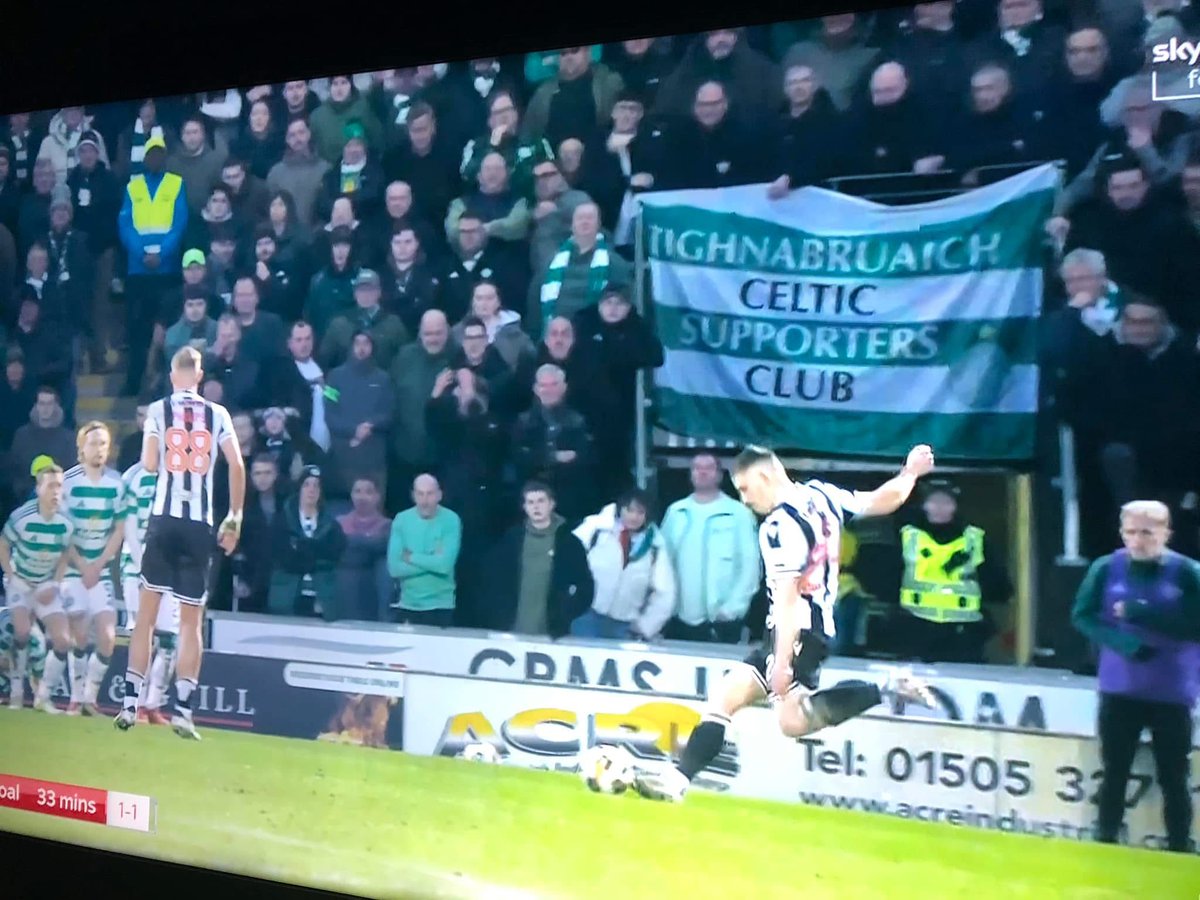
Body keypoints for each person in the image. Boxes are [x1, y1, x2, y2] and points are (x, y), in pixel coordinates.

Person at [635, 444, 940, 803]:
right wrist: (910, 474)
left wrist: (781, 661)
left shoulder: (778, 527)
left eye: (746, 489)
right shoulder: (821, 495)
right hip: (813, 628)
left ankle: (887, 689)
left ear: (764, 476)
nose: (745, 500)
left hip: (797, 630)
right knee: (757, 708)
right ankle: (676, 779)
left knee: (760, 710)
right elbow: (880, 500)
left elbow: (788, 598)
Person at [114, 347, 245, 741]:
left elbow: (151, 464)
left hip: (164, 520)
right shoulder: (218, 414)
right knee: (191, 622)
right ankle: (184, 711)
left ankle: (130, 702)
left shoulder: (158, 410)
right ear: (200, 376)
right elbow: (237, 465)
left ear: (174, 376)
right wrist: (235, 516)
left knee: (147, 617)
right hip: (198, 524)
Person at [1071, 500, 1199, 853]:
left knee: (1174, 776)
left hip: (1172, 690)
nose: (1138, 540)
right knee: (1114, 771)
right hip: (1120, 688)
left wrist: (1146, 614)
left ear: (1165, 533)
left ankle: (1178, 845)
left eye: (1147, 532)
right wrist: (1124, 643)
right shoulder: (1105, 568)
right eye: (1130, 532)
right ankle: (1106, 838)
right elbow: (1083, 616)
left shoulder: (1188, 573)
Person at [896, 479, 1012, 664]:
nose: (940, 508)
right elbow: (889, 577)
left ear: (955, 506)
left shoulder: (975, 539)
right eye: (934, 501)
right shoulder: (908, 537)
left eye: (946, 502)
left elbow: (999, 585)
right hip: (917, 627)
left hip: (963, 632)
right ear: (924, 505)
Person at [59, 422, 127, 716]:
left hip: (99, 571)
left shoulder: (116, 483)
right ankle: (76, 699)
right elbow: (59, 531)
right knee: (80, 633)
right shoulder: (67, 482)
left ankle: (90, 698)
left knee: (108, 637)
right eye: (94, 443)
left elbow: (120, 528)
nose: (99, 449)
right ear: (81, 449)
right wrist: (82, 564)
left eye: (103, 443)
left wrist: (98, 565)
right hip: (74, 570)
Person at [660, 453, 760, 643]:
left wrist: (732, 610)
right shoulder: (675, 512)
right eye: (697, 468)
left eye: (709, 468)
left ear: (720, 475)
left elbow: (750, 568)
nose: (702, 472)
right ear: (690, 474)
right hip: (677, 620)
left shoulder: (739, 514)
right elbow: (661, 564)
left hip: (722, 622)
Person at [0, 463, 74, 713]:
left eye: (60, 486)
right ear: (39, 488)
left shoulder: (66, 522)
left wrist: (56, 581)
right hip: (21, 580)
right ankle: (17, 694)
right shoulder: (21, 517)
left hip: (45, 584)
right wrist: (10, 575)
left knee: (63, 640)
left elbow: (65, 554)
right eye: (51, 486)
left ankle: (43, 697)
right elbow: (3, 545)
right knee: (21, 632)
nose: (56, 492)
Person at [483, 481, 594, 637]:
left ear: (551, 504)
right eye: (531, 502)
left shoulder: (568, 543)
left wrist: (564, 614)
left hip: (551, 633)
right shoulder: (512, 539)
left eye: (541, 501)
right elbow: (494, 580)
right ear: (524, 507)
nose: (536, 507)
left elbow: (585, 586)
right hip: (510, 630)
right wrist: (498, 614)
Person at [120, 458, 181, 726]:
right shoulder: (134, 475)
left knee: (170, 639)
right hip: (137, 566)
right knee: (145, 635)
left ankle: (153, 704)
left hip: (171, 567)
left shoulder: (183, 476)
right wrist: (142, 562)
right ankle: (134, 704)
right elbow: (128, 524)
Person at [571, 490, 677, 640]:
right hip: (586, 617)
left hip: (624, 626)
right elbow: (568, 562)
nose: (634, 517)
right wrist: (571, 604)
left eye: (640, 512)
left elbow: (665, 593)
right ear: (620, 509)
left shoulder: (655, 546)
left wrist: (645, 626)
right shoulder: (597, 529)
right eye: (629, 510)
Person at [386, 474, 462, 627]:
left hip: (441, 607)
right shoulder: (401, 519)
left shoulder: (451, 520)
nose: (425, 501)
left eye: (430, 494)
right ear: (413, 495)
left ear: (439, 495)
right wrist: (432, 559)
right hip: (408, 606)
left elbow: (444, 566)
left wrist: (411, 557)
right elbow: (394, 568)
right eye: (420, 494)